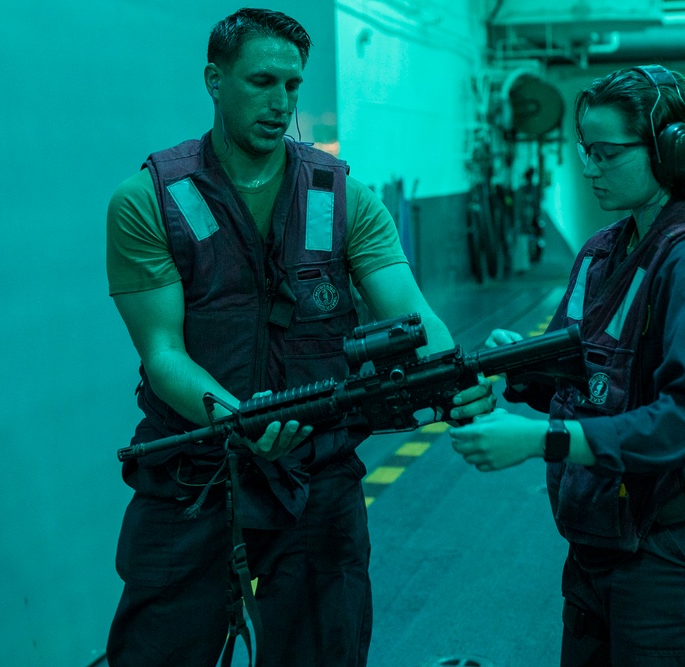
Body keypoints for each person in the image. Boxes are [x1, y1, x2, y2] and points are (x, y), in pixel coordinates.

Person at [104, 8, 493, 667]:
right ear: (214, 79)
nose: (280, 102)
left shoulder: (341, 197)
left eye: (292, 85)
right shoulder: (149, 201)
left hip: (317, 475)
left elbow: (409, 308)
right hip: (194, 476)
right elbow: (163, 351)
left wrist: (453, 372)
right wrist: (237, 418)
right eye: (261, 82)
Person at [448, 65, 685, 665]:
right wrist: (511, 368)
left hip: (674, 551)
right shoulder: (600, 253)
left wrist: (543, 440)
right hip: (600, 545)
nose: (589, 168)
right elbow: (584, 380)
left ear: (674, 151)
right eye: (585, 151)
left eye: (606, 153)